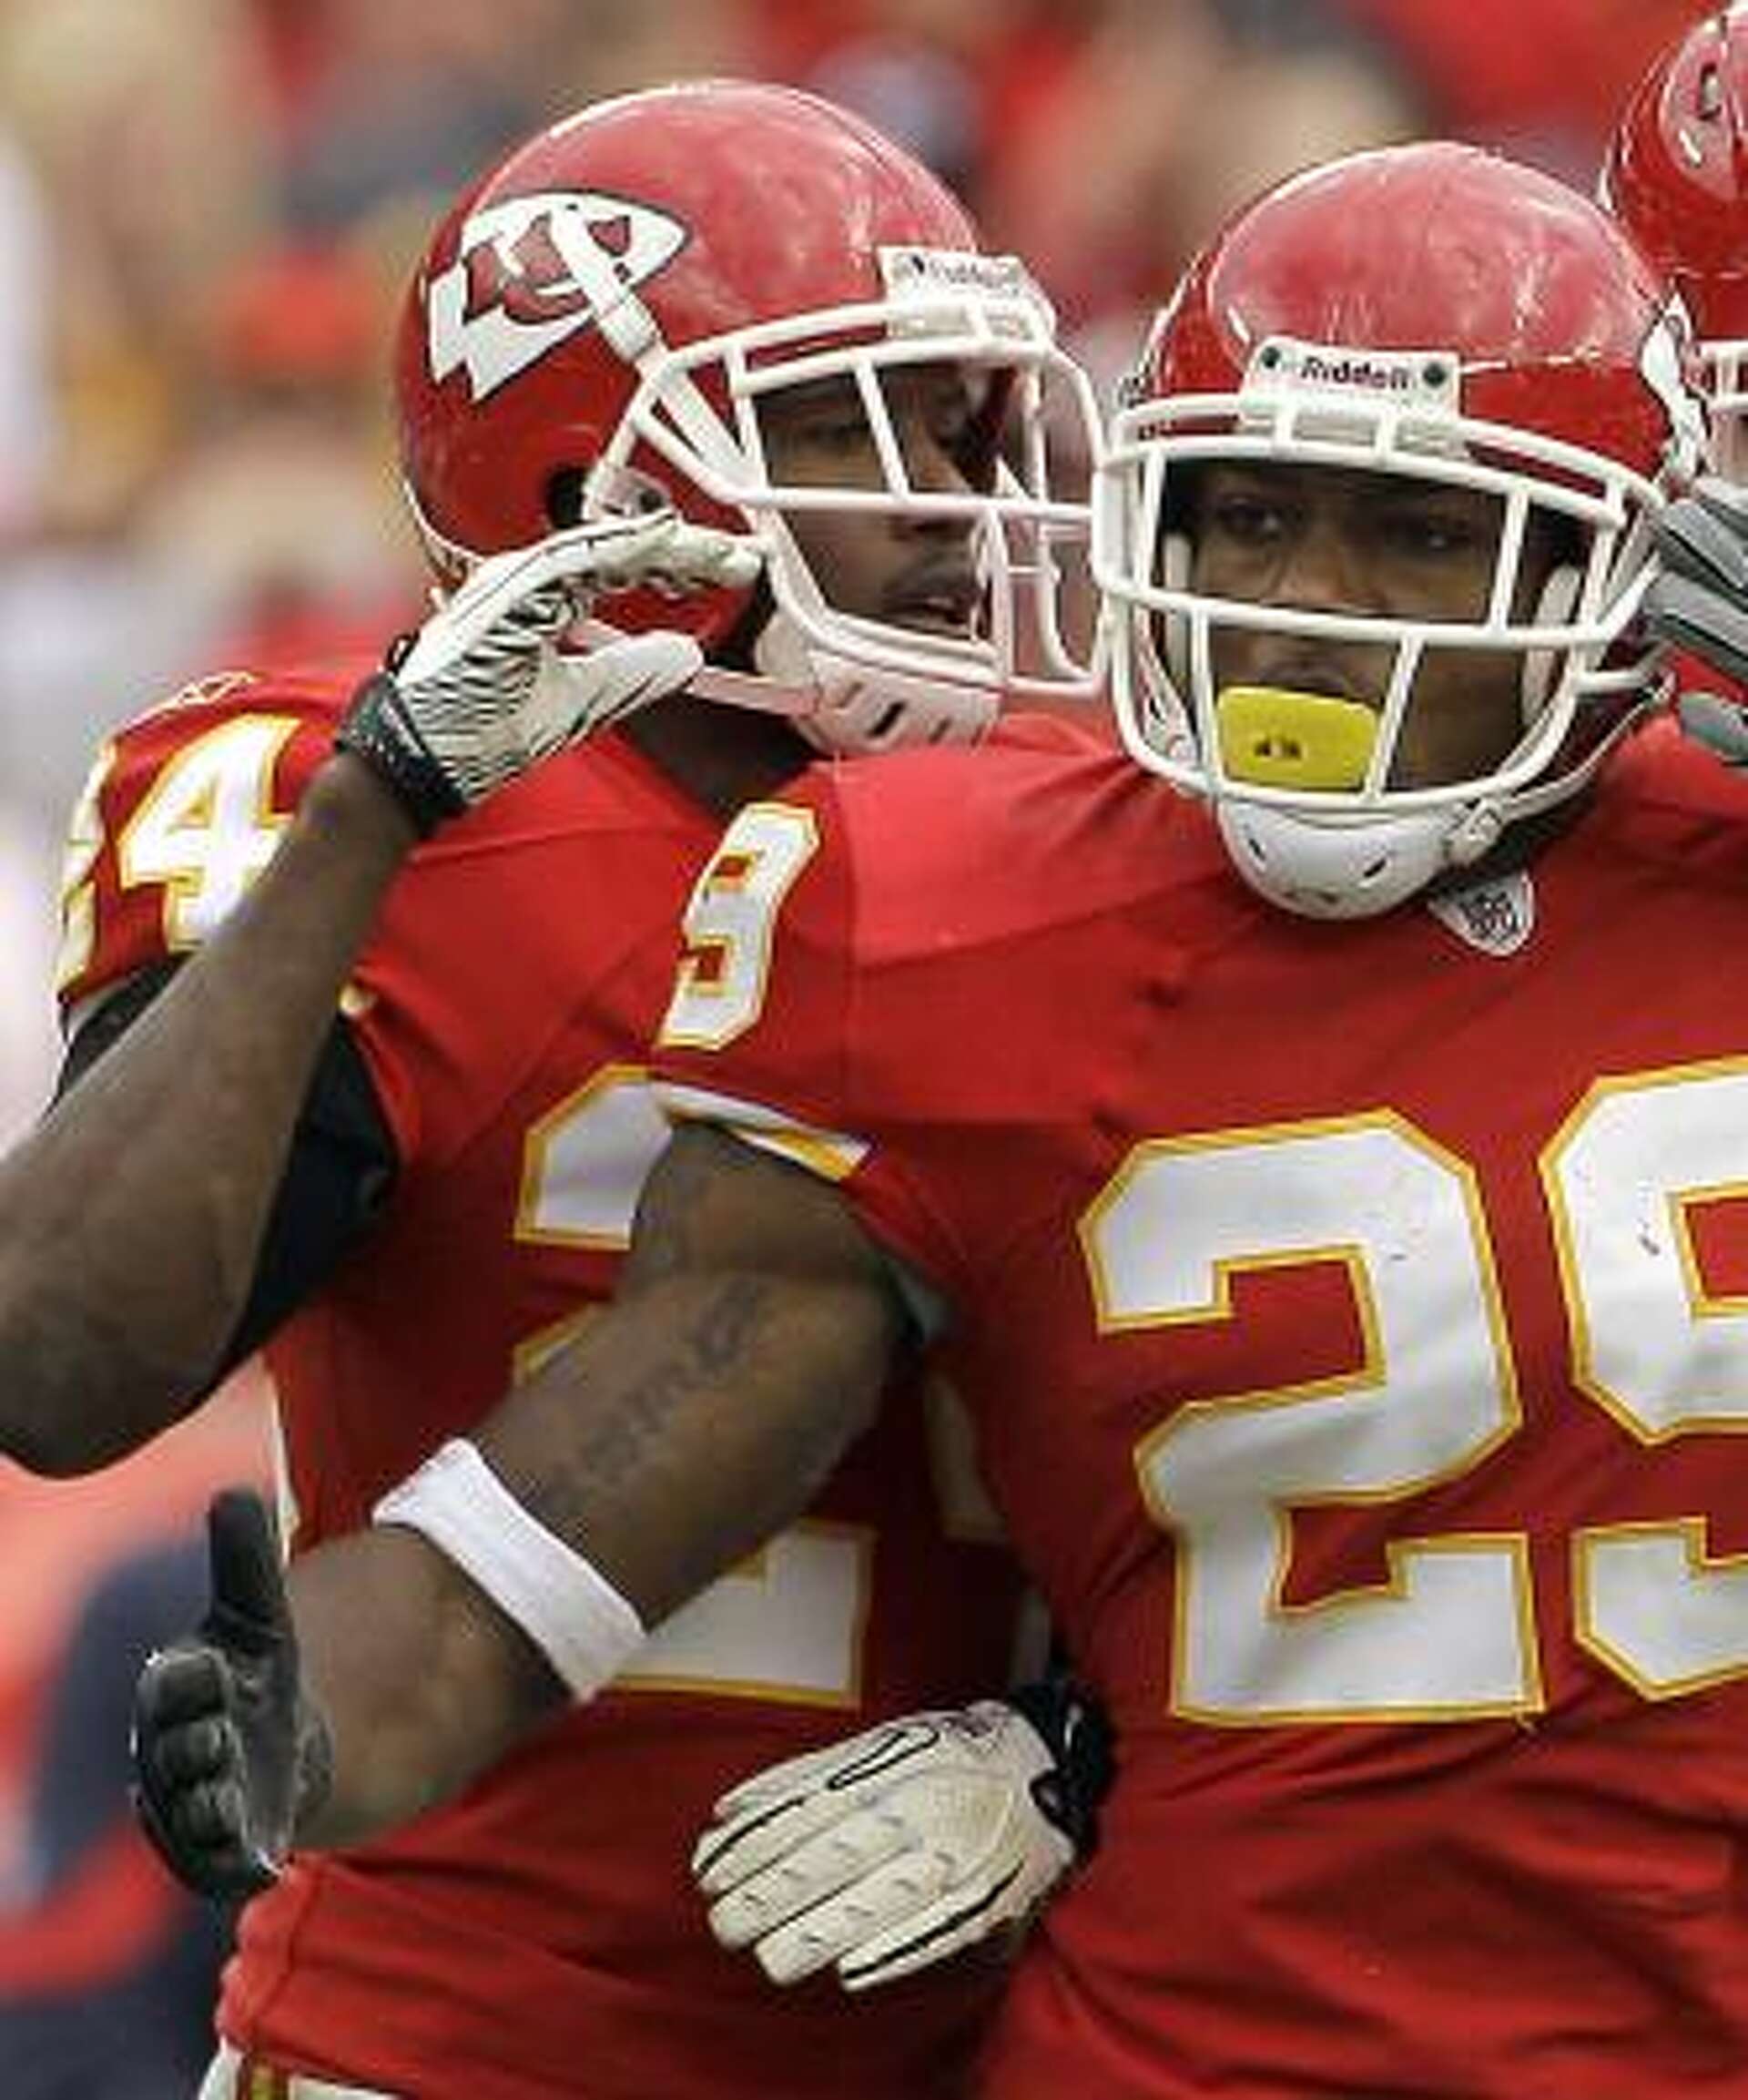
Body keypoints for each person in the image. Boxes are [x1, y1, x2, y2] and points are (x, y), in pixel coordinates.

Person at [134, 139, 1734, 2095]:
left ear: (1619, 571)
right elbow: (564, 1520)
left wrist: (1061, 1757)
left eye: (1421, 532)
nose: (1311, 610)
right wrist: (316, 1721)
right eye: (1247, 516)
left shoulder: (1720, 865)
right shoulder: (963, 912)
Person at [7, 80, 1111, 2100]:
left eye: (966, 429)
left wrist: (1086, 1745)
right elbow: (57, 1365)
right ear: (593, 477)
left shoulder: (1085, 838)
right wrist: (372, 817)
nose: (956, 506)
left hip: (983, 2035)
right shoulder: (376, 812)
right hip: (452, 2039)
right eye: (860, 429)